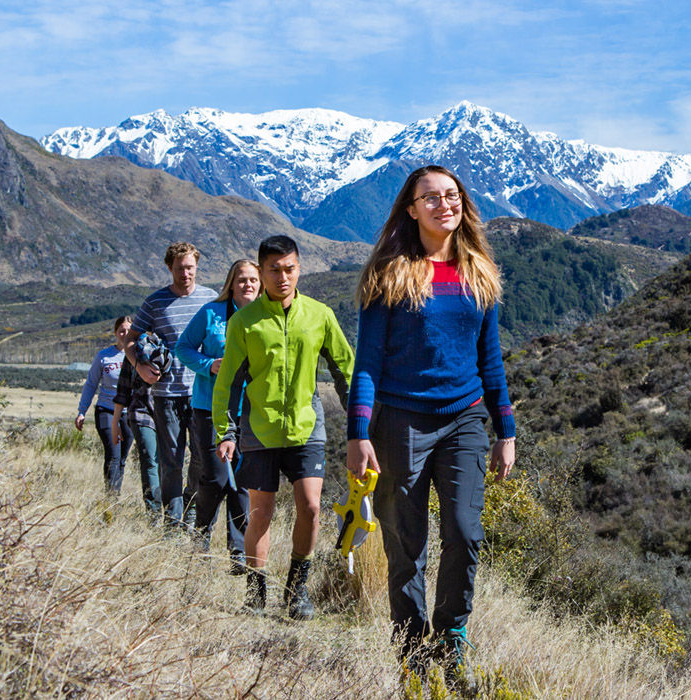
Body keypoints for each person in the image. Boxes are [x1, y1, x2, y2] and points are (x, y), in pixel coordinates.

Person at [345, 165, 517, 686]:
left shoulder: (478, 274)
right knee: (407, 546)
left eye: (452, 195)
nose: (445, 204)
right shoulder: (388, 276)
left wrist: (505, 429)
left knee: (465, 534)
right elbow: (368, 362)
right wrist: (358, 433)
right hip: (400, 423)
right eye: (431, 198)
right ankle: (412, 656)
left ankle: (450, 642)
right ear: (411, 209)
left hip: (464, 420)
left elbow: (490, 359)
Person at [212, 235, 354, 620]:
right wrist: (226, 431)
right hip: (258, 428)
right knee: (261, 512)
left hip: (308, 426)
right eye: (273, 270)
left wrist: (360, 424)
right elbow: (228, 383)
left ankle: (297, 589)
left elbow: (346, 369)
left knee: (310, 506)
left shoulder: (320, 315)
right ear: (261, 271)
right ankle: (256, 590)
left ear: (299, 268)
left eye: (289, 268)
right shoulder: (245, 322)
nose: (282, 276)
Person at [176, 259, 261, 574]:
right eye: (242, 280)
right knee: (215, 475)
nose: (248, 285)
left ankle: (238, 551)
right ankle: (200, 537)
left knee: (242, 481)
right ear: (231, 283)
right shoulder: (211, 314)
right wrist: (208, 364)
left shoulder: (265, 316)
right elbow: (183, 348)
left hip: (250, 411)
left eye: (253, 279)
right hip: (210, 407)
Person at [125, 242, 217, 529]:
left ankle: (190, 510)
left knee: (202, 460)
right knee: (172, 462)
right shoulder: (155, 302)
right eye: (180, 269)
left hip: (202, 393)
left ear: (197, 266)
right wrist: (139, 366)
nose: (185, 273)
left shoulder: (211, 299)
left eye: (190, 267)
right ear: (169, 268)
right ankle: (172, 524)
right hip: (166, 394)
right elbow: (130, 338)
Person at [75, 316, 134, 493]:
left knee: (122, 457)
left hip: (129, 413)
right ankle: (110, 497)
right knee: (113, 454)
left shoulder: (139, 354)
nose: (124, 334)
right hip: (106, 410)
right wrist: (82, 411)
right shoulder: (104, 356)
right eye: (121, 331)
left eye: (128, 331)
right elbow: (91, 384)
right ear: (116, 333)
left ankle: (116, 494)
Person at [111, 331, 167, 518]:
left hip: (169, 413)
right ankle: (153, 512)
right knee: (150, 460)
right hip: (141, 412)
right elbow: (123, 388)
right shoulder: (134, 352)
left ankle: (171, 510)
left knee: (167, 463)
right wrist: (115, 422)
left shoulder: (174, 344)